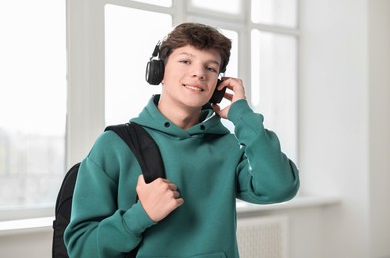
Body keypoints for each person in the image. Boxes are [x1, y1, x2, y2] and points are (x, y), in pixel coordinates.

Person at [64, 22, 300, 257]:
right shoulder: (115, 146)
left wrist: (243, 116)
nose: (198, 73)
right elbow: (82, 249)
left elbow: (281, 187)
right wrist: (141, 215)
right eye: (186, 61)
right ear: (159, 71)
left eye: (210, 67)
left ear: (218, 83)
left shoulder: (227, 146)